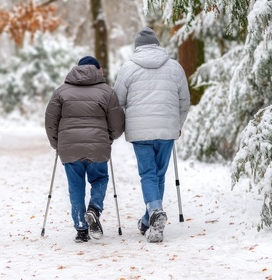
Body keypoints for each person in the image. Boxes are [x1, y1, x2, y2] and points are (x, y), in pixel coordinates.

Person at [113, 27, 191, 243]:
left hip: (140, 132)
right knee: (158, 175)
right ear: (157, 44)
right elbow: (184, 101)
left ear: (136, 47)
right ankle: (150, 219)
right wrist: (177, 124)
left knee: (148, 174)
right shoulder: (175, 67)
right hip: (166, 129)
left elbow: (117, 103)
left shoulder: (127, 69)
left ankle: (154, 213)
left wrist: (120, 127)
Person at [45, 56, 125, 243]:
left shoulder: (61, 92)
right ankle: (94, 209)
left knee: (76, 186)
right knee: (100, 178)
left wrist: (57, 144)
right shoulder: (107, 92)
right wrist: (109, 137)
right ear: (99, 70)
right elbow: (117, 123)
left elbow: (50, 121)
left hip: (69, 148)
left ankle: (81, 228)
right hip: (97, 146)